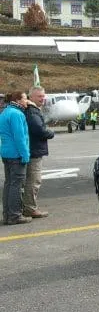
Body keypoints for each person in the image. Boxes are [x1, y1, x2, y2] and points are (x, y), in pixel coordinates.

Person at [23, 86, 54, 219]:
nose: (43, 98)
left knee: (29, 180)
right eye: (39, 96)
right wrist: (51, 132)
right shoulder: (32, 111)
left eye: (43, 96)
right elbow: (39, 130)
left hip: (32, 149)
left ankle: (27, 207)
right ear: (31, 97)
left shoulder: (30, 110)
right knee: (34, 180)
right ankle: (30, 208)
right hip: (34, 151)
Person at [0, 91, 31, 225]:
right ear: (18, 100)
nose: (27, 101)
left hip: (6, 153)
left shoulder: (5, 112)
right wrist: (25, 155)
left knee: (8, 184)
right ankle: (15, 215)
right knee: (16, 186)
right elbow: (20, 137)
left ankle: (7, 214)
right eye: (25, 98)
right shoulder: (17, 114)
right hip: (16, 154)